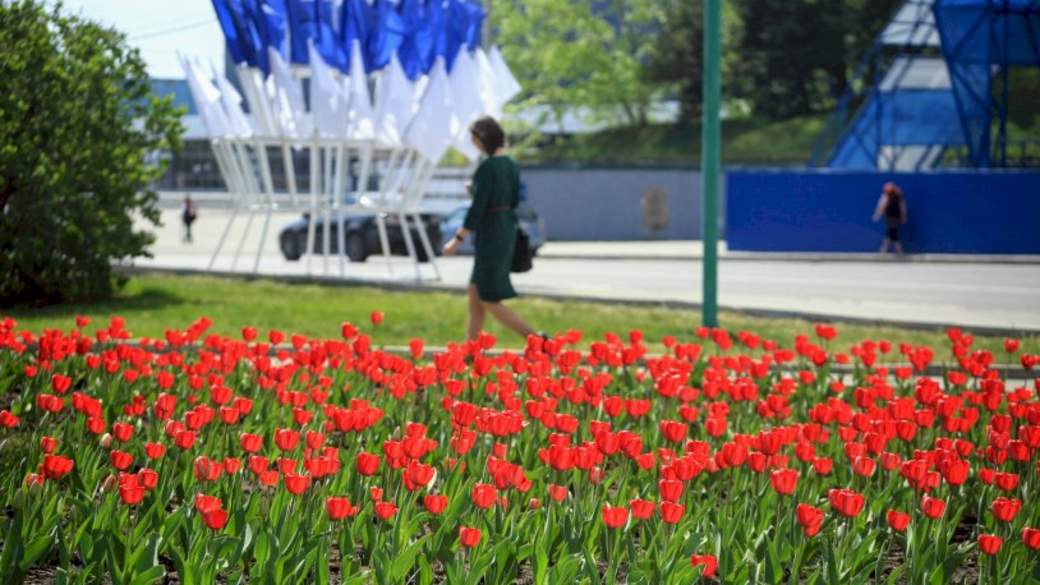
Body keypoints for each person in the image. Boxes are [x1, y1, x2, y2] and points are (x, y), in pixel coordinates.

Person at [442, 116, 539, 342]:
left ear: (484, 138)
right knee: (475, 298)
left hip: (491, 233)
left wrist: (457, 239)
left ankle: (538, 341)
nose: (474, 143)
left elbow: (477, 208)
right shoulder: (511, 164)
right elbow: (513, 199)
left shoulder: (487, 167)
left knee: (489, 299)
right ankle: (470, 352)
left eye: (474, 139)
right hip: (506, 227)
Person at [872, 182, 907, 256]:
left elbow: (881, 206)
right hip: (893, 217)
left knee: (891, 232)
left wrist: (877, 215)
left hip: (892, 217)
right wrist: (904, 217)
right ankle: (894, 250)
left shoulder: (893, 196)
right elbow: (902, 208)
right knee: (892, 231)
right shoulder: (894, 196)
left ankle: (886, 249)